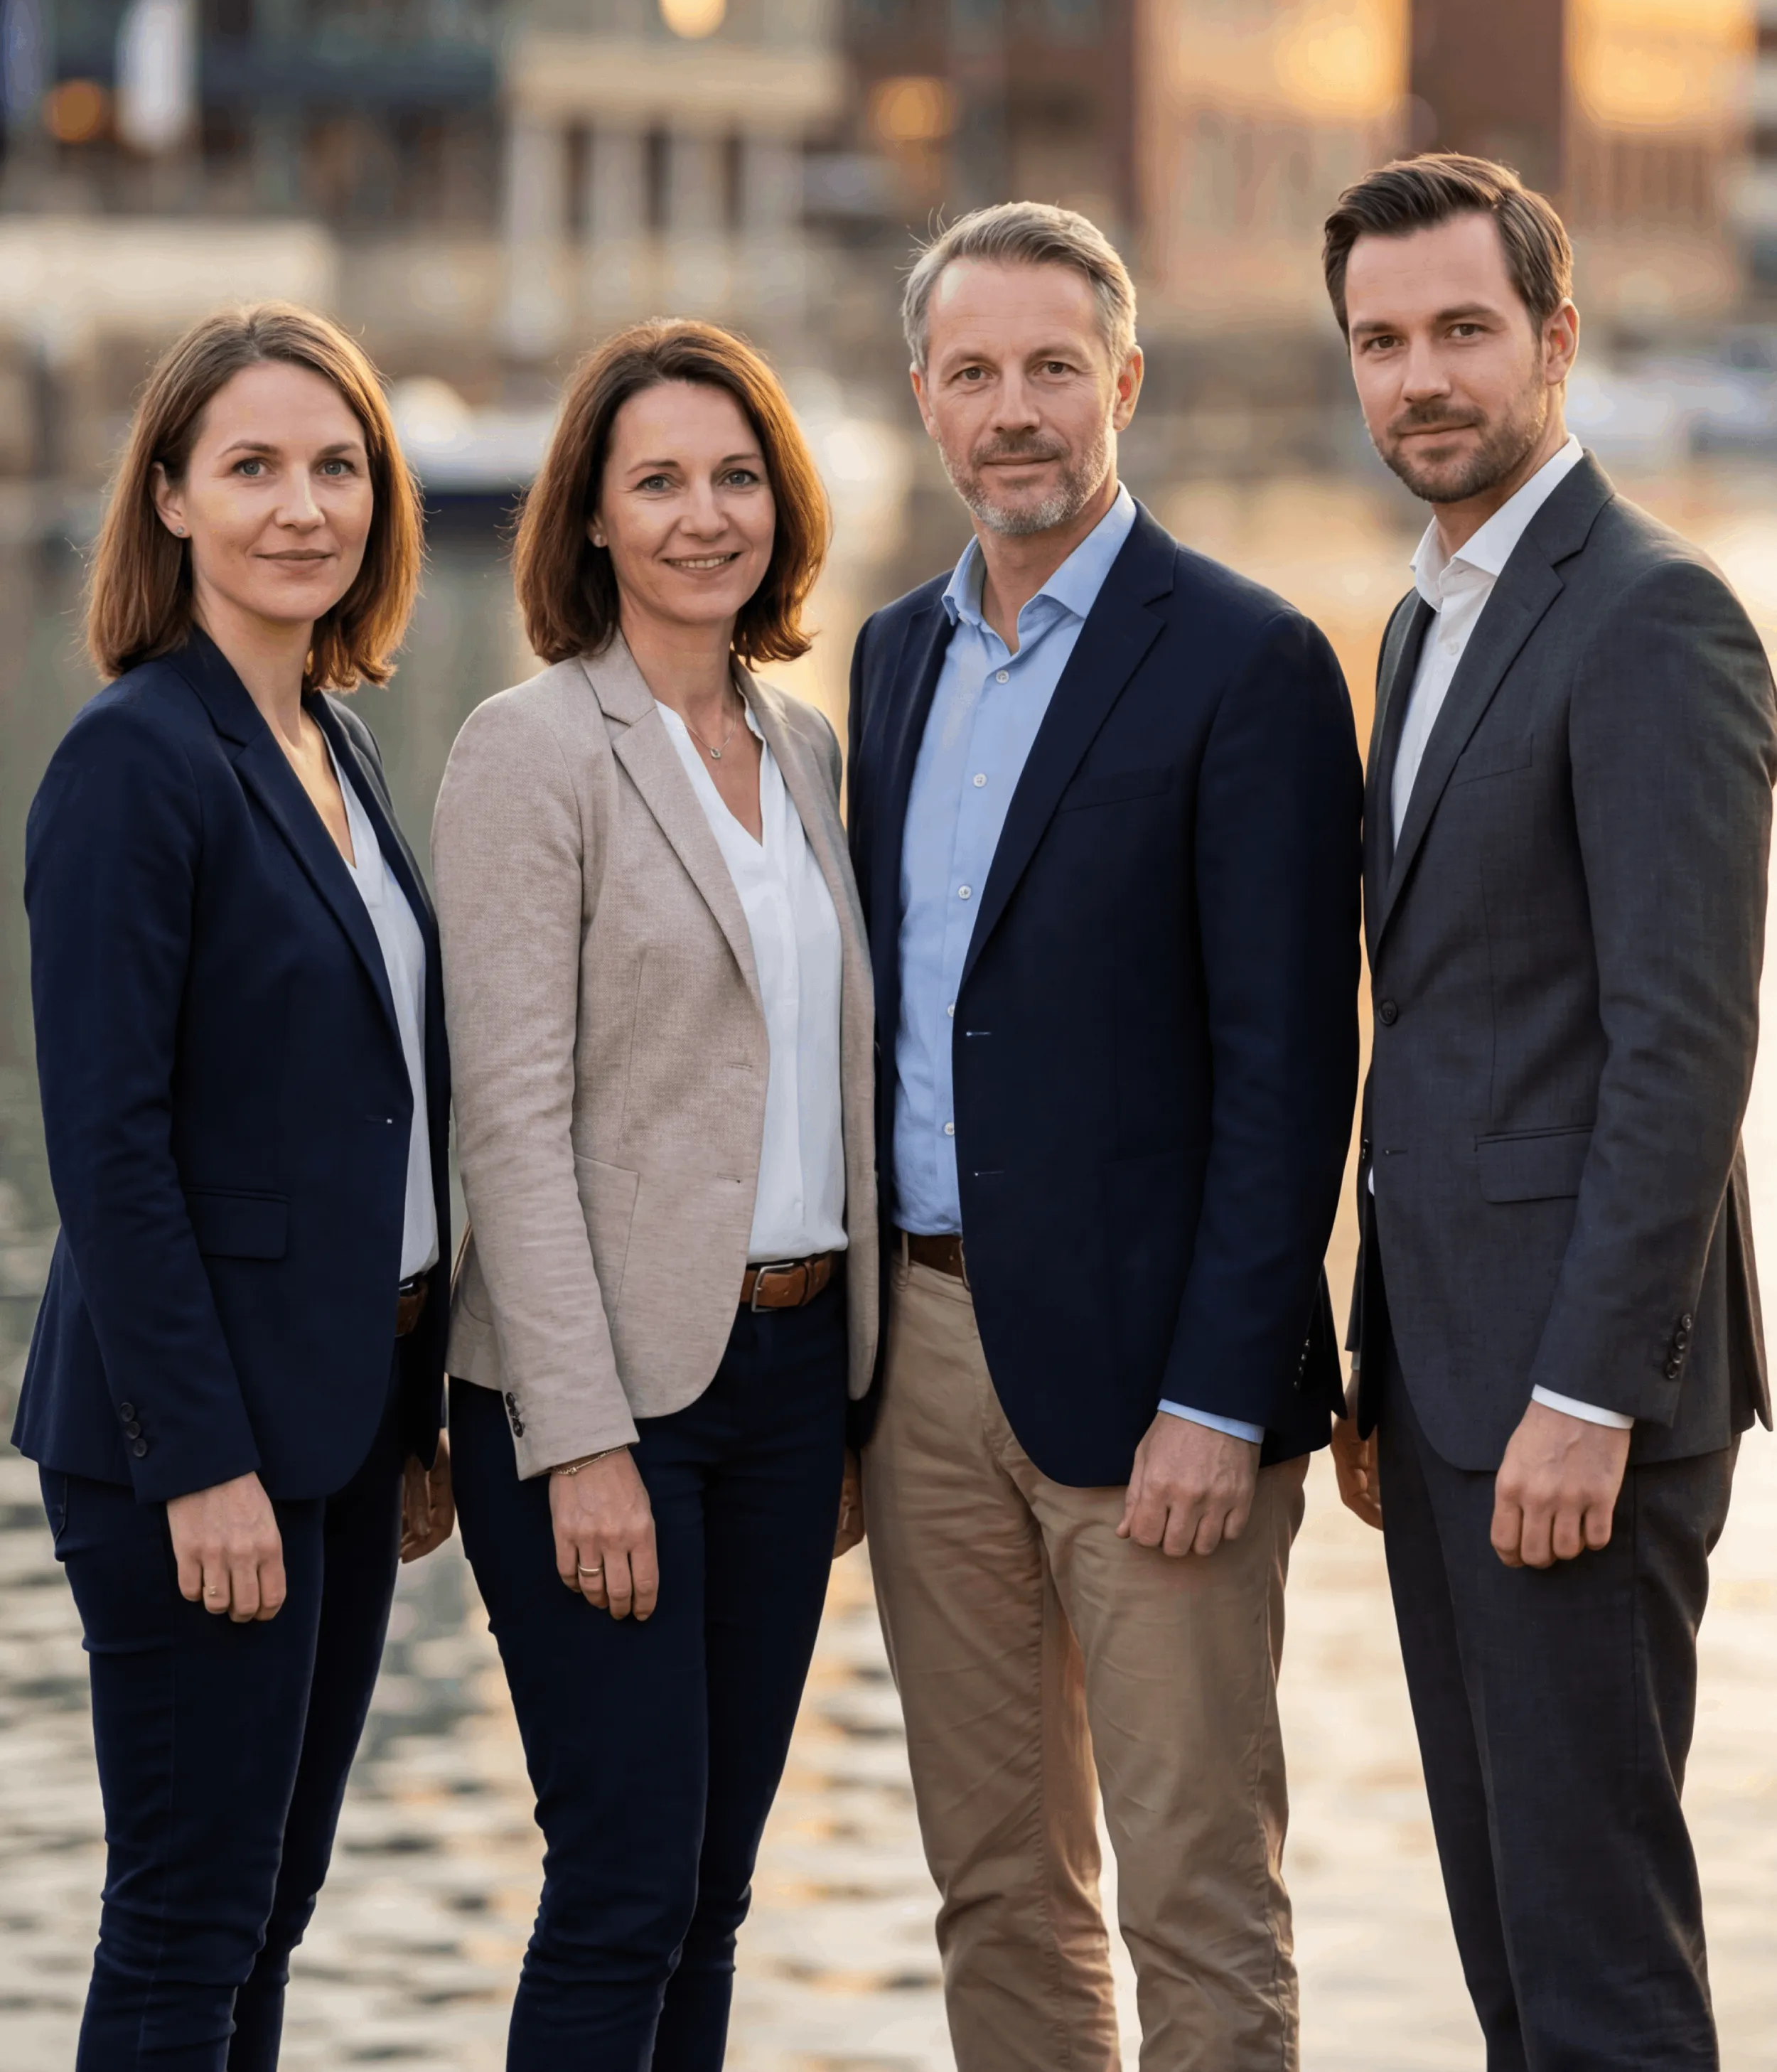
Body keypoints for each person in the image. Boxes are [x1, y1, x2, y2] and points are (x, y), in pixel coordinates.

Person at [845, 201, 1362, 2070]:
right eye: (972, 371)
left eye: (1051, 367)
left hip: (1161, 1387)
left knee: (1195, 1892)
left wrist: (1222, 1398)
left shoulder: (1245, 662)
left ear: (1121, 384)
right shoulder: (891, 661)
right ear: (921, 397)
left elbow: (1290, 1066)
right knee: (994, 1883)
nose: (1013, 410)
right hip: (921, 1371)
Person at [1325, 154, 1776, 2071]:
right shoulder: (1428, 617)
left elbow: (1683, 1044)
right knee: (1509, 1950)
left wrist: (1581, 1393)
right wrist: (1376, 1358)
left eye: (1459, 331)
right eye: (1379, 340)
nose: (1419, 377)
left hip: (1576, 1398)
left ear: (1554, 339)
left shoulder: (1652, 619)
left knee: (1597, 1967)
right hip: (1444, 1387)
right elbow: (1437, 1018)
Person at [14, 304, 455, 2071]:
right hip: (191, 1449)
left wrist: (403, 1411)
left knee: (266, 1905)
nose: (303, 505)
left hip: (334, 1430)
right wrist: (201, 1460)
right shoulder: (134, 759)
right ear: (172, 500)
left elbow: (367, 1114)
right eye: (254, 467)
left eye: (336, 465)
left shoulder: (328, 744)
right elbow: (104, 1146)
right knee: (187, 1919)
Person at [433, 319, 878, 2070]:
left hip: (784, 1387)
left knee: (714, 1885)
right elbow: (512, 1122)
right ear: (592, 520)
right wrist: (581, 1435)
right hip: (595, 1391)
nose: (705, 515)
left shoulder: (807, 750)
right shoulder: (528, 749)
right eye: (659, 482)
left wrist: (842, 1396)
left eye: (736, 474)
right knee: (619, 1876)